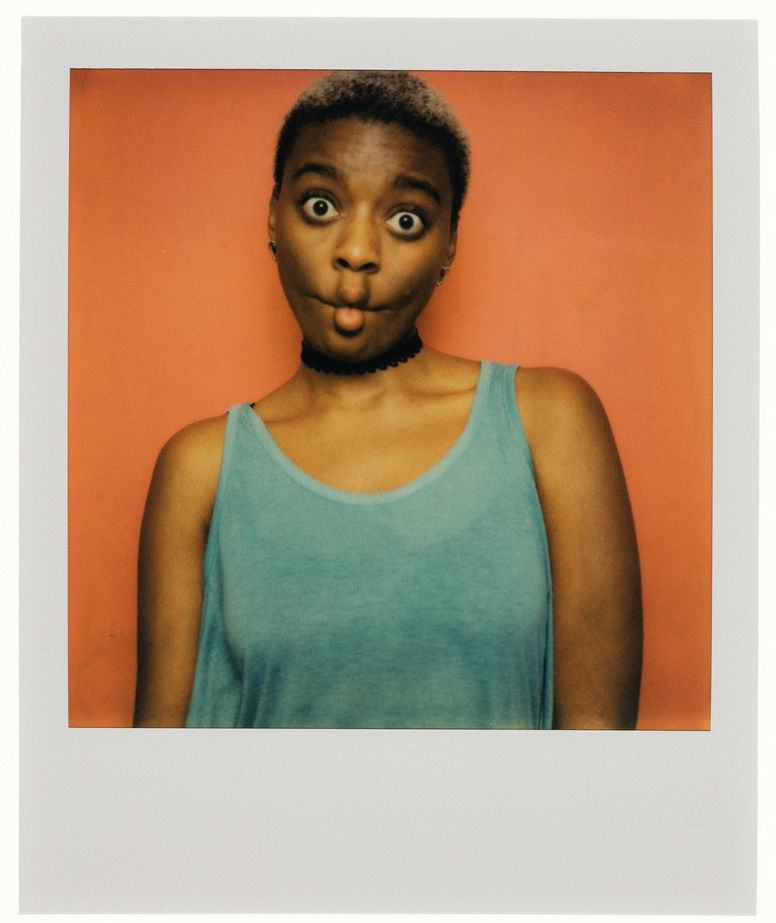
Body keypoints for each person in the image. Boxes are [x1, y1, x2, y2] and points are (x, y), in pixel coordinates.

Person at [133, 71, 642, 729]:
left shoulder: (547, 421)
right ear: (274, 217)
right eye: (321, 206)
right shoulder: (202, 468)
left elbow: (600, 761)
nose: (356, 252)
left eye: (406, 220)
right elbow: (157, 770)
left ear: (448, 245)